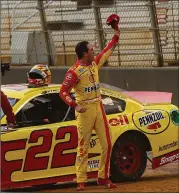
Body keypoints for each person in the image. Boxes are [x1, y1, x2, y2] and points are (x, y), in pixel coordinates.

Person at [59, 14, 120, 191]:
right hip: (84, 110)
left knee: (107, 144)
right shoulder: (74, 72)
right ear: (85, 54)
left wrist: (116, 31)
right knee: (83, 146)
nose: (95, 51)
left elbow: (109, 48)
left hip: (98, 107)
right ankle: (81, 179)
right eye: (92, 50)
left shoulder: (94, 64)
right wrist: (75, 105)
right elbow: (62, 92)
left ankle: (103, 177)